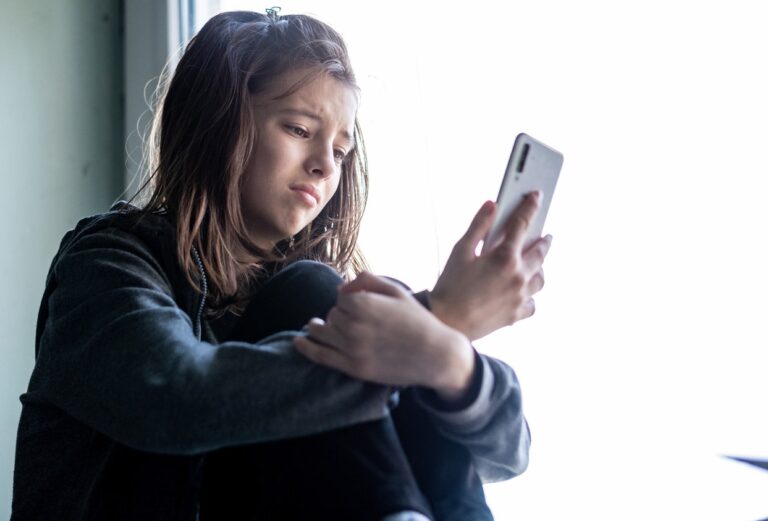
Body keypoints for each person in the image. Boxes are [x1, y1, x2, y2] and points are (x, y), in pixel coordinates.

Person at [11, 9, 552, 521]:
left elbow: (507, 452)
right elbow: (175, 399)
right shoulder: (110, 262)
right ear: (218, 124)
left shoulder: (334, 301)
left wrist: (447, 356)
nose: (323, 165)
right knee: (320, 297)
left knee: (349, 306)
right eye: (298, 129)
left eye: (340, 151)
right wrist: (439, 325)